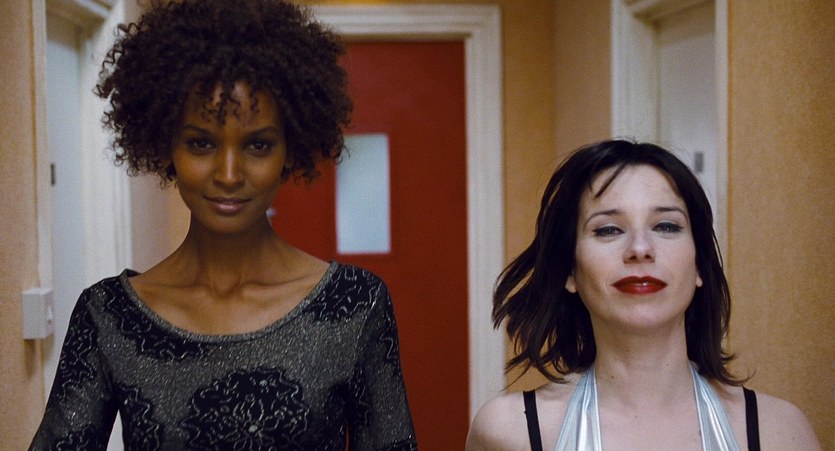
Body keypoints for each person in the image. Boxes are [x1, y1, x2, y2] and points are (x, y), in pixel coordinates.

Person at [29, 0, 417, 449]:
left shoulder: (355, 305)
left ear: (289, 150)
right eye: (201, 143)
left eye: (257, 145)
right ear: (165, 146)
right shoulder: (109, 317)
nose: (229, 174)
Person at [465, 140, 820, 450]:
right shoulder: (509, 432)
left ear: (699, 264)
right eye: (608, 229)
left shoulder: (779, 432)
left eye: (666, 226)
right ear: (570, 271)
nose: (640, 248)